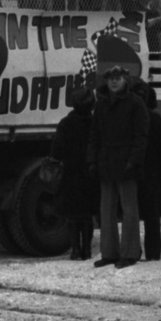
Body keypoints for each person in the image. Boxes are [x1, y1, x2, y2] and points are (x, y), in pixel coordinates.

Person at [87, 66, 148, 268]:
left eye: (118, 78)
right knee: (106, 210)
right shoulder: (102, 105)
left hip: (126, 162)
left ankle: (130, 253)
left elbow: (141, 136)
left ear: (125, 80)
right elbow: (94, 135)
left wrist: (134, 161)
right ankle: (109, 253)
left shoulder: (135, 104)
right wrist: (92, 161)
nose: (114, 82)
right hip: (106, 161)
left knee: (129, 210)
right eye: (111, 78)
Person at [52, 87, 98, 260]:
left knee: (72, 215)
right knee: (87, 215)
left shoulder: (65, 124)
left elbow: (56, 150)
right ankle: (86, 250)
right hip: (90, 174)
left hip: (70, 173)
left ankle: (75, 250)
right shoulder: (95, 123)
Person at [131, 79, 161, 261]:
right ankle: (153, 253)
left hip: (132, 172)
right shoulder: (157, 120)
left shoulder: (127, 119)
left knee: (132, 215)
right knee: (152, 218)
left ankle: (133, 251)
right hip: (153, 174)